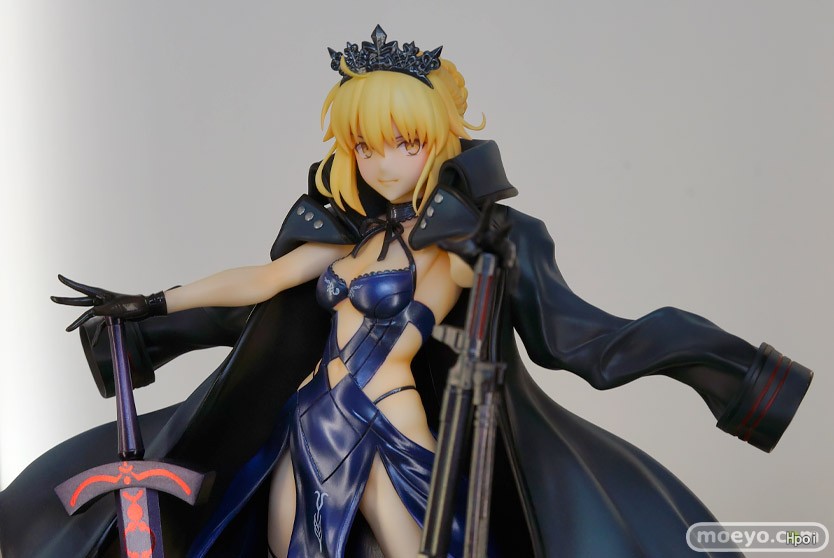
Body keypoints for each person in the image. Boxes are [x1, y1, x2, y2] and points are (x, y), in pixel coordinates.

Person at [0, 26, 813, 558]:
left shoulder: (459, 246)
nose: (386, 162)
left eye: (406, 143)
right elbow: (264, 282)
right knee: (285, 545)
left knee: (409, 547)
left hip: (390, 418)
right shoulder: (343, 236)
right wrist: (152, 304)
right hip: (311, 417)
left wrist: (737, 376)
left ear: (439, 141)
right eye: (367, 145)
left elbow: (582, 335)